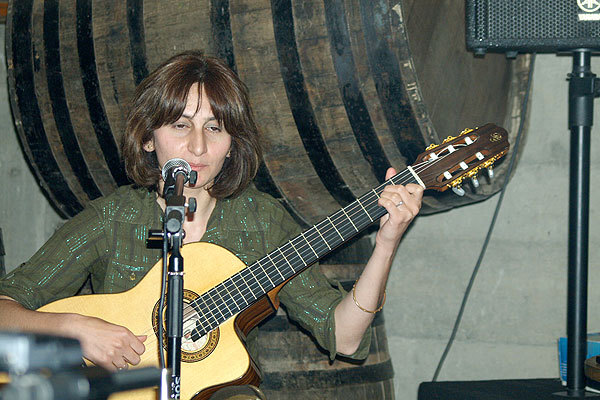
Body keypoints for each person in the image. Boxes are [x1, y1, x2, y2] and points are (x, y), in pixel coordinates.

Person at [0, 51, 422, 381]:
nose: (198, 147)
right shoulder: (113, 218)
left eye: (215, 127)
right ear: (147, 138)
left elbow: (344, 337)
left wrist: (386, 243)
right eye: (180, 125)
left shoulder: (261, 221)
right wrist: (75, 328)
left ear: (232, 143)